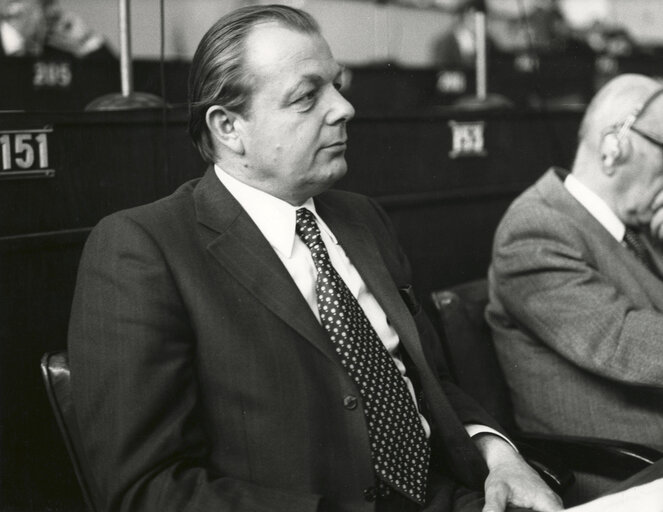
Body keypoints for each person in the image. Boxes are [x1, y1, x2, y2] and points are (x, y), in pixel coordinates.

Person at [67, 5, 562, 512]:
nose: (344, 108)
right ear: (228, 127)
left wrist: (499, 455)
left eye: (338, 85)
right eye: (308, 96)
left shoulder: (363, 219)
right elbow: (145, 489)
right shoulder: (144, 248)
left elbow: (431, 382)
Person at [487, 74, 663, 454]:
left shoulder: (638, 225)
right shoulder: (536, 229)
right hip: (620, 466)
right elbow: (625, 344)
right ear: (613, 147)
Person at [0, 0, 112, 59]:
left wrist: (86, 38)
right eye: (45, 3)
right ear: (15, 8)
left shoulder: (57, 54)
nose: (54, 11)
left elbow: (112, 78)